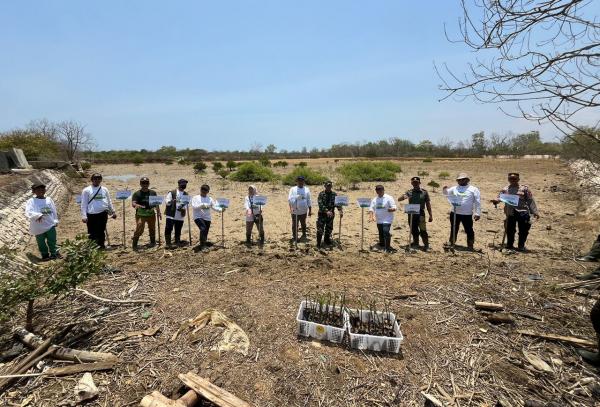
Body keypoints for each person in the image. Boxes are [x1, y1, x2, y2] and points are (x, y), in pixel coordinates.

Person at [491, 172, 539, 252]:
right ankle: (510, 245)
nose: (512, 180)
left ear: (518, 179)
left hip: (523, 212)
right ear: (508, 179)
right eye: (511, 178)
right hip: (510, 212)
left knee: (523, 230)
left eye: (515, 178)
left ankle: (521, 246)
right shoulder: (505, 189)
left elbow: (530, 200)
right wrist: (496, 201)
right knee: (510, 229)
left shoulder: (524, 189)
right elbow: (500, 198)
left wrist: (535, 211)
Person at [442, 173, 481, 250]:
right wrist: (444, 189)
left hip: (467, 214)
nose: (461, 181)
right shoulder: (454, 188)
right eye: (459, 180)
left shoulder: (473, 189)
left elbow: (477, 201)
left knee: (469, 229)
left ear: (467, 180)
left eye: (463, 179)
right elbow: (446, 194)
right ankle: (451, 242)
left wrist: (477, 213)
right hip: (454, 213)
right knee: (454, 228)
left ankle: (470, 244)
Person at [80, 173, 116, 249]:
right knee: (91, 232)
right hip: (91, 214)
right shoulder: (86, 190)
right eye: (95, 178)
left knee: (101, 231)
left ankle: (101, 246)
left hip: (103, 214)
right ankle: (92, 247)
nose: (97, 180)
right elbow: (83, 204)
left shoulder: (105, 189)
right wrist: (84, 216)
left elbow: (109, 201)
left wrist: (113, 211)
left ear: (101, 180)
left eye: (99, 178)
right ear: (92, 180)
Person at [25, 183, 60, 261]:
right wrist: (38, 215)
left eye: (42, 189)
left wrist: (55, 220)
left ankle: (54, 253)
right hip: (38, 226)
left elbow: (53, 210)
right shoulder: (31, 201)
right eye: (38, 189)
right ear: (33, 191)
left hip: (50, 224)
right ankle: (45, 255)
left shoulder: (49, 199)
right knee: (41, 242)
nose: (41, 191)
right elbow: (28, 212)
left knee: (52, 240)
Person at [398, 176, 433, 251]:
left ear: (419, 183)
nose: (415, 184)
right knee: (413, 229)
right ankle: (416, 243)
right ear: (411, 183)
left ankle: (426, 245)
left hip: (420, 213)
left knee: (423, 229)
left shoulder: (424, 192)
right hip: (411, 213)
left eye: (416, 182)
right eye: (413, 182)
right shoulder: (409, 192)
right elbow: (399, 199)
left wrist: (430, 215)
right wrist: (405, 196)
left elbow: (428, 204)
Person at [131, 177, 161, 250]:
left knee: (152, 228)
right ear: (140, 184)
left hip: (151, 214)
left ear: (149, 184)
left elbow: (156, 203)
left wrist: (158, 212)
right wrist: (136, 205)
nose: (145, 184)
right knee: (139, 228)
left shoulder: (153, 193)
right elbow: (133, 203)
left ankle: (153, 242)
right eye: (143, 183)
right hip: (141, 215)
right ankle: (134, 244)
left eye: (146, 183)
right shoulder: (137, 193)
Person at [368, 185, 397, 252]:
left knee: (386, 232)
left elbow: (394, 206)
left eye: (380, 189)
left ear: (383, 190)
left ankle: (387, 248)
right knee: (381, 233)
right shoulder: (375, 199)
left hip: (387, 219)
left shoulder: (389, 197)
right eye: (377, 190)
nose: (379, 191)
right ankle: (382, 244)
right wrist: (371, 217)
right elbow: (371, 209)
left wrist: (392, 209)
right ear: (376, 191)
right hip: (379, 219)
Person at [316, 180, 343, 248]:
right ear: (325, 186)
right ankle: (318, 243)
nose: (329, 187)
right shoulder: (321, 194)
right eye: (327, 185)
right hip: (322, 214)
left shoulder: (334, 194)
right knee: (320, 229)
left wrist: (340, 210)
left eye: (330, 185)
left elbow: (337, 203)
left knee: (329, 228)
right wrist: (326, 211)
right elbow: (320, 204)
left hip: (331, 215)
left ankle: (326, 240)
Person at [164, 179, 189, 247]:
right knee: (169, 228)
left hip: (180, 215)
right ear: (178, 184)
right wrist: (172, 201)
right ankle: (168, 243)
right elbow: (167, 202)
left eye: (185, 184)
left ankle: (177, 242)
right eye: (182, 184)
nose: (183, 185)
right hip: (171, 214)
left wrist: (183, 208)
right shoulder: (172, 192)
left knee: (178, 229)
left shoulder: (186, 194)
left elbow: (187, 204)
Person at [288, 176, 312, 242]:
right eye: (299, 180)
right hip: (295, 210)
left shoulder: (307, 189)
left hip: (304, 211)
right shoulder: (293, 189)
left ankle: (304, 234)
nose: (300, 182)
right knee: (295, 224)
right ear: (297, 181)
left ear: (304, 181)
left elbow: (309, 199)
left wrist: (310, 210)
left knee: (303, 223)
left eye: (302, 180)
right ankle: (295, 236)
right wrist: (291, 208)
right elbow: (289, 199)